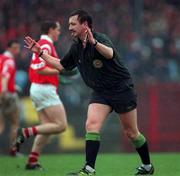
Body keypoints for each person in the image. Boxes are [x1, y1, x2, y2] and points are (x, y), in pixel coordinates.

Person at [24, 10, 154, 175]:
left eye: (73, 24)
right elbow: (62, 66)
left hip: (121, 89)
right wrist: (41, 53)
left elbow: (110, 53)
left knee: (131, 133)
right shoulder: (76, 46)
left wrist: (94, 43)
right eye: (69, 24)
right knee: (91, 125)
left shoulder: (100, 38)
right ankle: (89, 169)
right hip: (100, 92)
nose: (69, 27)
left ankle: (148, 167)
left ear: (84, 25)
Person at [15, 21, 67, 170]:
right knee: (61, 125)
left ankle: (32, 161)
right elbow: (39, 68)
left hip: (38, 89)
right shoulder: (45, 44)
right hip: (44, 89)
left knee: (47, 128)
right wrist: (61, 71)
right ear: (51, 30)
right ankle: (26, 131)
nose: (59, 32)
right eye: (58, 29)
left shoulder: (44, 44)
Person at [0, 40, 21, 156]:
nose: (17, 51)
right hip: (6, 94)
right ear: (9, 48)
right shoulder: (9, 61)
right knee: (15, 123)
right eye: (15, 48)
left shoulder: (0, 58)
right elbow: (4, 76)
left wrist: (13, 86)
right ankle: (13, 150)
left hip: (4, 92)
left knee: (1, 124)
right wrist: (4, 91)